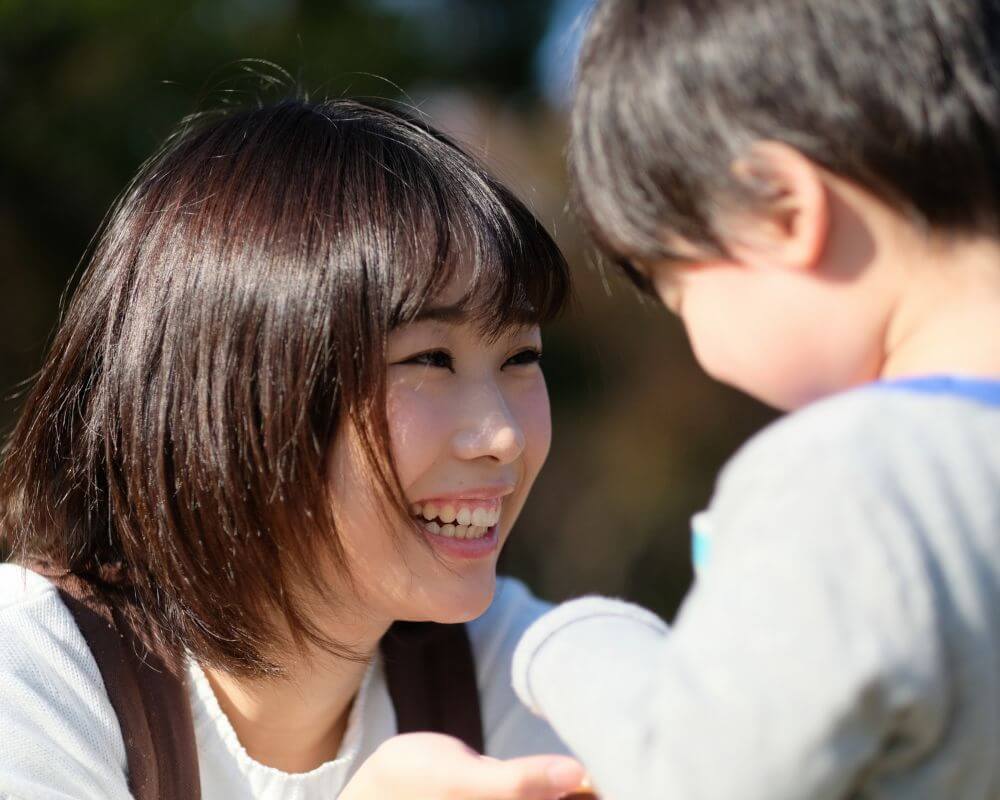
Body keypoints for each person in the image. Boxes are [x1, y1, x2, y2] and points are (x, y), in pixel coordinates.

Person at [0, 97, 587, 800]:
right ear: (237, 387)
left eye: (521, 355)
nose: (504, 438)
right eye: (430, 359)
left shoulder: (510, 666)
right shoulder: (33, 672)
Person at [511, 1, 1000, 798]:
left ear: (781, 210)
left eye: (678, 292)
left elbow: (693, 776)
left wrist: (560, 642)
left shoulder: (850, 477)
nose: (700, 351)